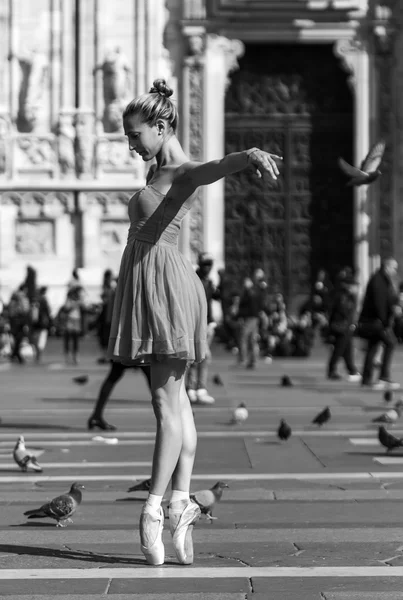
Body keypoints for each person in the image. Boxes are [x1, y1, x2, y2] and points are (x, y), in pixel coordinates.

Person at [106, 78, 281, 566]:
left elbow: (209, 169)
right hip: (161, 285)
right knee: (179, 405)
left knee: (167, 405)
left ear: (162, 127)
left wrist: (247, 155)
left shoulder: (180, 171)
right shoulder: (160, 169)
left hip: (164, 289)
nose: (130, 144)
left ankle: (152, 509)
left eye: (135, 134)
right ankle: (181, 505)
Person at [357, 257, 400, 390]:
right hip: (376, 322)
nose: (395, 272)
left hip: (373, 321)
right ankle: (383, 377)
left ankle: (366, 378)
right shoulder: (378, 280)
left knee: (373, 347)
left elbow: (388, 299)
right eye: (394, 268)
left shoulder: (381, 279)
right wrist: (385, 322)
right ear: (387, 267)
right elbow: (379, 303)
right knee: (391, 343)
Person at [186, 252, 220, 405]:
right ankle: (199, 388)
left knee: (198, 356)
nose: (208, 267)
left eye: (210, 264)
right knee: (203, 356)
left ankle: (193, 388)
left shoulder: (208, 281)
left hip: (207, 322)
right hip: (196, 322)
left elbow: (215, 299)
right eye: (205, 264)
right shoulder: (194, 279)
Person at [88, 363, 151, 430]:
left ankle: (97, 415)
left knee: (114, 374)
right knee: (151, 374)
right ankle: (162, 414)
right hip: (137, 353)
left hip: (125, 353)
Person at [326, 274, 361, 381]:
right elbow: (344, 312)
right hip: (342, 326)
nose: (357, 288)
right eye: (355, 285)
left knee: (347, 348)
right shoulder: (344, 296)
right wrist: (351, 323)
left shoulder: (345, 295)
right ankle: (332, 370)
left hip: (344, 326)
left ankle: (352, 370)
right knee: (339, 349)